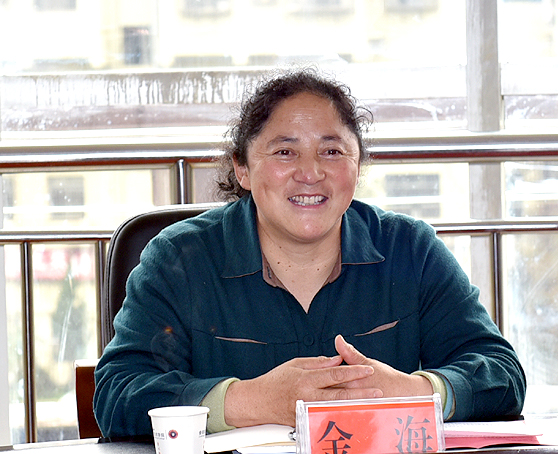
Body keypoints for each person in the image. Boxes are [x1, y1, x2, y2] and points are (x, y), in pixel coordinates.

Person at [94, 68, 526, 437]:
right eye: (285, 151)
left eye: (332, 151)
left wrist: (413, 392)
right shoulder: (179, 259)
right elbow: (118, 393)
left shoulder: (411, 249)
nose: (311, 172)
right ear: (242, 168)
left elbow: (500, 372)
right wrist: (253, 400)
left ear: (358, 166)